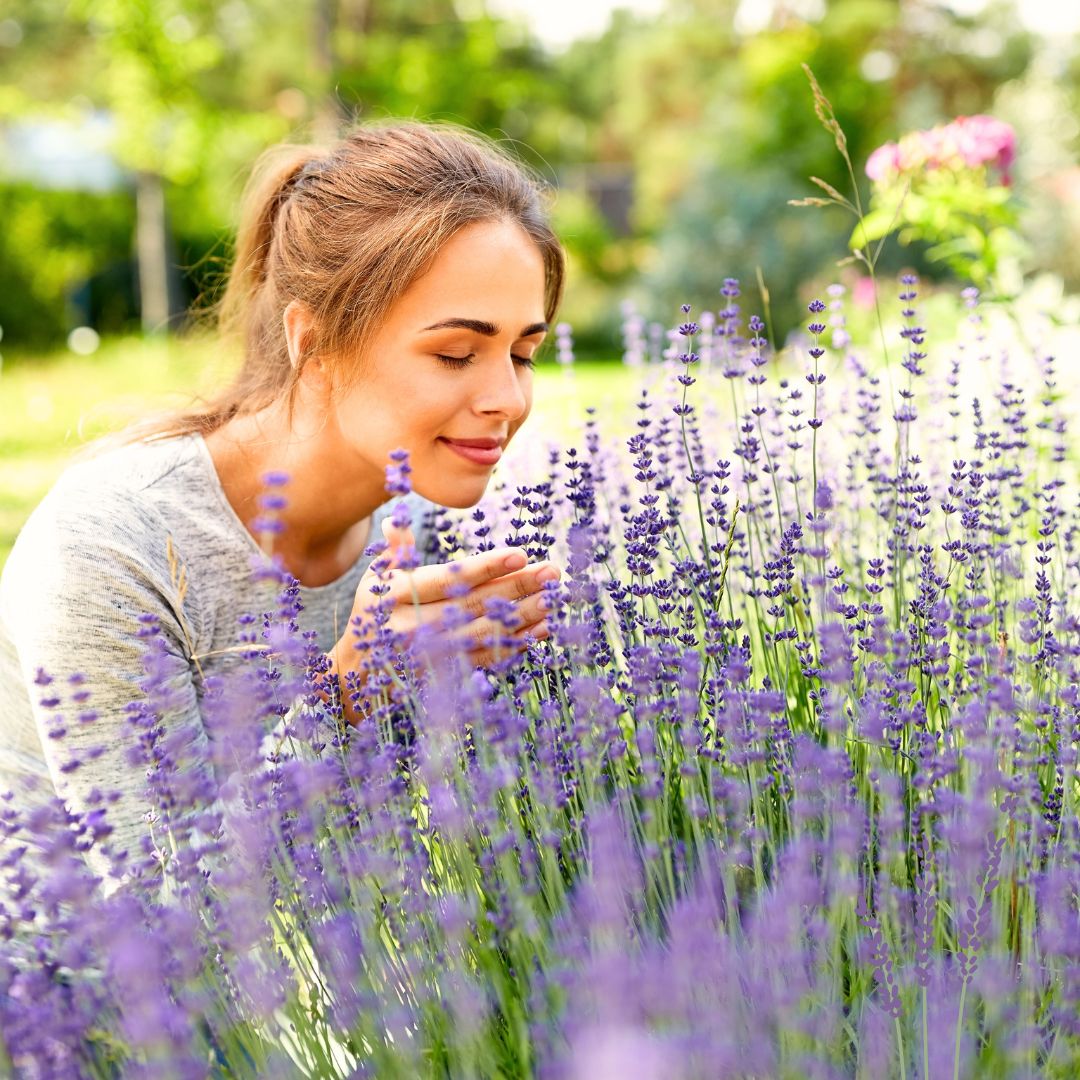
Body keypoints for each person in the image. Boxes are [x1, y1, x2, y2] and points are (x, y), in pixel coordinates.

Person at [0, 121, 565, 876]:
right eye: (456, 353)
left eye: (523, 353)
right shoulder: (112, 545)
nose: (506, 398)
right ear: (315, 341)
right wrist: (346, 697)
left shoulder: (424, 541)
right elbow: (159, 915)